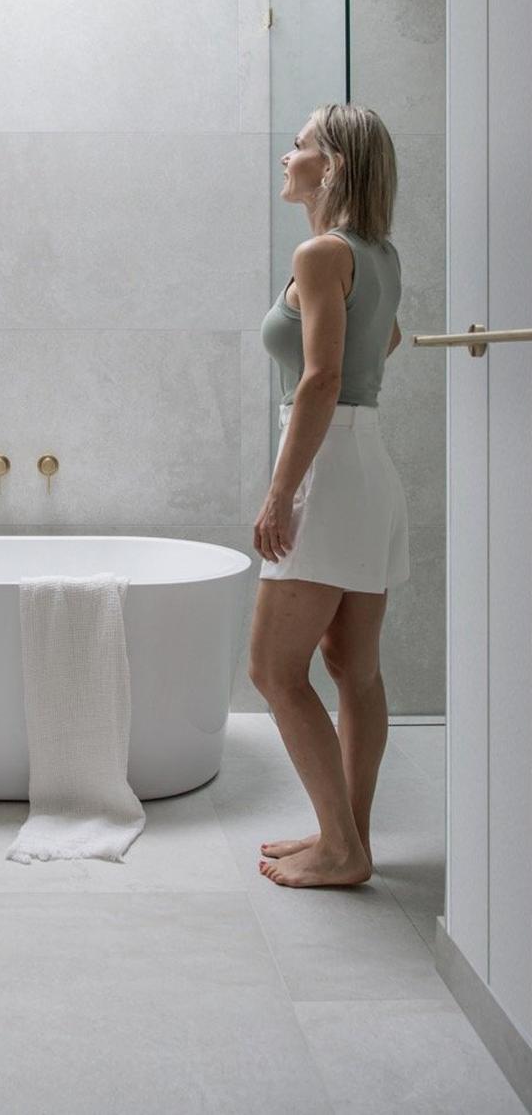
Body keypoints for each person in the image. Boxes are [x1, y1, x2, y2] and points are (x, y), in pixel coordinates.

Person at [250, 103, 409, 888]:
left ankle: (339, 848)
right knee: (354, 668)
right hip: (369, 463)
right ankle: (350, 839)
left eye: (302, 146)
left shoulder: (320, 253)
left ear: (333, 166)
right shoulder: (379, 254)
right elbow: (385, 342)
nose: (288, 156)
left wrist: (281, 493)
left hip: (328, 464)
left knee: (273, 670)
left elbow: (319, 377)